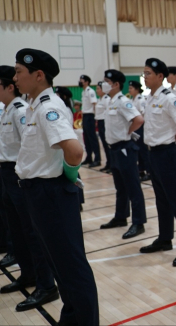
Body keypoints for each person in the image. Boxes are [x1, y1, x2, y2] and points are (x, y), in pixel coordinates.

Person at [14, 49, 100, 325]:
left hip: (51, 194)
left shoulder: (48, 107)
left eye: (19, 72)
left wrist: (69, 173)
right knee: (61, 266)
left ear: (38, 75)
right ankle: (73, 317)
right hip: (41, 194)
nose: (15, 77)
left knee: (71, 267)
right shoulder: (35, 105)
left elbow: (75, 151)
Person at [0, 65, 58, 312]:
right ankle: (28, 274)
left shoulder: (20, 111)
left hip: (17, 173)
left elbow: (29, 146)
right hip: (6, 174)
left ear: (8, 87)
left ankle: (47, 285)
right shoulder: (7, 110)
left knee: (31, 233)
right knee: (18, 229)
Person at [139, 58, 176, 267]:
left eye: (148, 74)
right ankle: (164, 239)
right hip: (153, 154)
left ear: (160, 76)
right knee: (161, 200)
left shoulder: (169, 98)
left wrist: (172, 140)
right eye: (144, 73)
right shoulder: (150, 97)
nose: (145, 77)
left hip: (168, 154)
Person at [100, 70, 147, 240]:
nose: (103, 84)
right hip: (114, 149)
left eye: (106, 81)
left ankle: (139, 222)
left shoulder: (122, 101)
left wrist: (127, 133)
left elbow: (139, 120)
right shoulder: (111, 101)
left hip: (124, 148)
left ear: (116, 84)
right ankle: (121, 217)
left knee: (133, 186)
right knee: (120, 187)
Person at [129, 80, 151, 182]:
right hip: (135, 127)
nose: (129, 90)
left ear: (137, 89)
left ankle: (149, 171)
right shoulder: (132, 100)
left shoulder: (140, 100)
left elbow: (143, 114)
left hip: (140, 126)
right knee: (138, 151)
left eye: (131, 88)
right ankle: (141, 170)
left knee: (143, 150)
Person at [79, 74, 101, 168]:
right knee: (86, 138)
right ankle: (89, 157)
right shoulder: (83, 92)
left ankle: (97, 158)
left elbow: (94, 104)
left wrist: (95, 117)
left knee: (92, 138)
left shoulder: (90, 91)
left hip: (90, 116)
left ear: (87, 82)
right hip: (85, 116)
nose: (80, 82)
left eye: (81, 80)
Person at [95, 81, 111, 173]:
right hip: (100, 122)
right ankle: (108, 163)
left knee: (107, 144)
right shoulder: (99, 99)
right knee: (104, 145)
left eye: (98, 88)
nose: (97, 90)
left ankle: (111, 164)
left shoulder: (106, 99)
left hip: (105, 122)